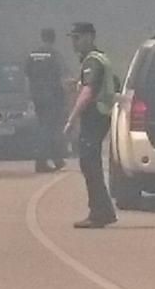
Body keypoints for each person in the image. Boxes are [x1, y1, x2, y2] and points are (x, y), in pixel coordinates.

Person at [63, 22, 118, 229]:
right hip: (101, 115)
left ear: (89, 37)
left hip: (94, 116)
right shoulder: (99, 58)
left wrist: (72, 118)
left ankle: (98, 212)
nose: (74, 43)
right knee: (90, 163)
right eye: (73, 38)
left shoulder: (92, 62)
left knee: (89, 165)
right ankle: (103, 210)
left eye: (77, 38)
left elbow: (88, 92)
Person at [25, 28, 67, 173]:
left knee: (43, 127)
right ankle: (46, 161)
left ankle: (52, 160)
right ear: (53, 38)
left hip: (37, 97)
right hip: (52, 97)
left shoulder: (32, 54)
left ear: (42, 37)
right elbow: (62, 76)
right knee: (51, 129)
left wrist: (30, 95)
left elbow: (27, 76)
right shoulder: (54, 55)